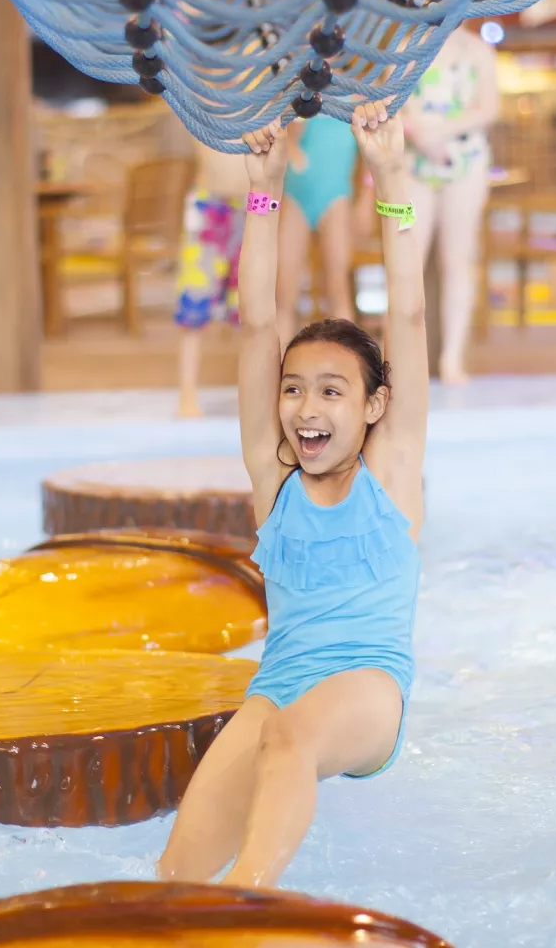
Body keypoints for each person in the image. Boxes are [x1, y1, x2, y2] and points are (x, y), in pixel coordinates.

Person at [157, 101, 427, 888]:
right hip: (278, 684)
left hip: (369, 687)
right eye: (296, 390)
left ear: (374, 407)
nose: (308, 409)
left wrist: (392, 176)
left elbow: (406, 313)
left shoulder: (393, 472)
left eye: (334, 392)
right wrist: (265, 191)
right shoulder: (273, 481)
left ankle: (252, 908)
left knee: (292, 740)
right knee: (173, 877)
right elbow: (257, 324)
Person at [401, 22, 499, 385]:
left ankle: (452, 357)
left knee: (458, 258)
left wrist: (439, 132)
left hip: (465, 163)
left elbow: (488, 108)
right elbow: (392, 104)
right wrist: (420, 135)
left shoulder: (476, 49)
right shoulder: (407, 46)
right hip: (412, 164)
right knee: (407, 259)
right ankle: (404, 359)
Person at [175, 144, 250, 418]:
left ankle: (253, 394)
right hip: (209, 203)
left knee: (251, 308)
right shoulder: (206, 100)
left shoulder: (263, 101)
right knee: (194, 299)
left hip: (252, 203)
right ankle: (187, 394)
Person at [278, 114, 360, 324]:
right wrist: (292, 147)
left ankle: (346, 355)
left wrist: (366, 202)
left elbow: (371, 158)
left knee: (338, 287)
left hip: (336, 199)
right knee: (284, 294)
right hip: (296, 196)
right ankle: (277, 356)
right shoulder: (301, 95)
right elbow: (286, 140)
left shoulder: (357, 100)